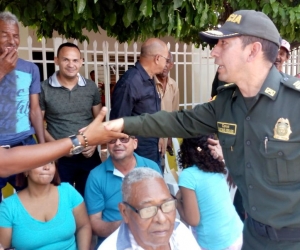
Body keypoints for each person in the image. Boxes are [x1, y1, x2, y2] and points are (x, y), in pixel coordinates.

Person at [105, 10, 300, 249]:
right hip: (252, 237)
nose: (213, 52)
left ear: (253, 51)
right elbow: (178, 121)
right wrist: (122, 124)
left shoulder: (295, 103)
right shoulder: (226, 102)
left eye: (223, 44)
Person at [40, 42, 102, 196]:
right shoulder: (43, 88)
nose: (71, 64)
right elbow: (38, 125)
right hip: (59, 157)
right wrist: (58, 148)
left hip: (88, 153)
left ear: (81, 62)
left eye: (75, 60)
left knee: (91, 199)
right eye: (65, 59)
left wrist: (94, 144)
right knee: (59, 200)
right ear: (56, 60)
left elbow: (99, 120)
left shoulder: (91, 87)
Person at [0, 107, 127, 178]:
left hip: (84, 154)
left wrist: (90, 142)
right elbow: (4, 163)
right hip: (60, 155)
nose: (71, 64)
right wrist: (84, 140)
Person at [0, 11, 45, 201]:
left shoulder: (30, 68)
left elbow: (34, 109)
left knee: (34, 199)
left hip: (25, 143)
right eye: (4, 35)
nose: (11, 40)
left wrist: (42, 145)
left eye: (16, 36)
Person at [85, 136, 161, 247]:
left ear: (135, 143)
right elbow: (94, 222)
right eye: (112, 140)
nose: (118, 143)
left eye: (124, 139)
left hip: (151, 238)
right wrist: (125, 226)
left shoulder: (151, 167)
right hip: (113, 242)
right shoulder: (96, 176)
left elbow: (162, 206)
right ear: (107, 145)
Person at [98, 167, 201, 250]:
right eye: (148, 209)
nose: (162, 219)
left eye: (167, 204)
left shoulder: (179, 230)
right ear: (125, 212)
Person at [0, 161, 91, 249]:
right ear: (26, 170)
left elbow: (83, 226)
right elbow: (4, 247)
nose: (47, 167)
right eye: (40, 163)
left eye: (51, 162)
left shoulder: (68, 191)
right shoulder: (8, 207)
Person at [176, 135, 243, 250]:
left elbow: (193, 220)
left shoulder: (187, 176)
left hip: (213, 243)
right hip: (237, 233)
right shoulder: (217, 166)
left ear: (186, 151)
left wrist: (176, 203)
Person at [110, 38, 170, 165]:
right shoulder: (131, 81)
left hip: (152, 149)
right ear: (158, 58)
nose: (166, 63)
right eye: (166, 59)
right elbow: (119, 121)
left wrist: (158, 136)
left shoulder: (149, 78)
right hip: (137, 155)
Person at [155, 51, 179, 161]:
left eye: (168, 62)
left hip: (166, 137)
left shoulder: (173, 85)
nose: (165, 65)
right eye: (163, 61)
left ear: (171, 65)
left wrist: (170, 138)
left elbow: (174, 114)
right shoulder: (149, 83)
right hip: (151, 136)